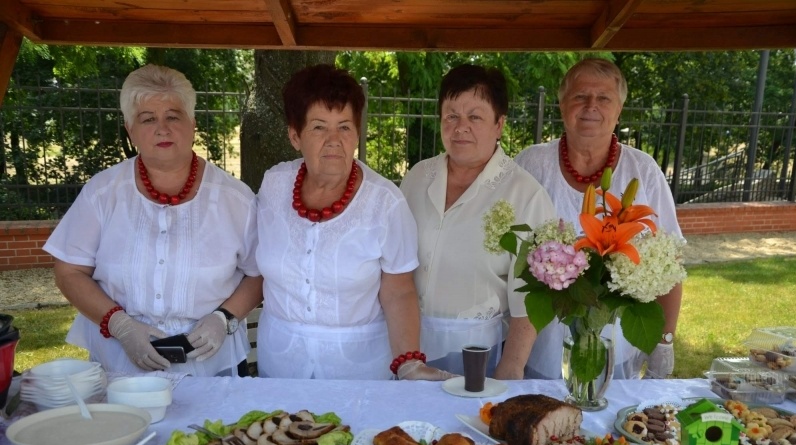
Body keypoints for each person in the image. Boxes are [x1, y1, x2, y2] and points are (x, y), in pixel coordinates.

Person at [44, 64, 263, 377]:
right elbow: (70, 270)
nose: (163, 128)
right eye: (148, 119)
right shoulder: (102, 193)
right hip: (120, 365)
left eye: (173, 115)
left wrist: (224, 319)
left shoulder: (236, 198)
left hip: (214, 365)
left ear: (193, 124)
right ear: (130, 130)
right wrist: (120, 325)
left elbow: (258, 275)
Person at [255, 64, 451, 381]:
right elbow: (256, 266)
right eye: (319, 127)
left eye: (344, 127)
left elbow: (399, 292)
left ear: (357, 134)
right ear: (295, 136)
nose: (334, 140)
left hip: (358, 371)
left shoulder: (385, 202)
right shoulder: (274, 185)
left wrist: (409, 362)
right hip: (281, 364)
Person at [515, 58, 683, 380]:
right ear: (562, 105)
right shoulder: (530, 164)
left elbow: (669, 263)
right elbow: (507, 257)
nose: (591, 105)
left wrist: (664, 341)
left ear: (618, 110)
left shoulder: (642, 170)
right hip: (539, 345)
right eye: (580, 96)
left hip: (615, 350)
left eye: (604, 98)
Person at [400, 64, 556, 380]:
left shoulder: (524, 194)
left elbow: (533, 296)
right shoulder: (417, 178)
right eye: (451, 115)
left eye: (475, 117)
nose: (461, 127)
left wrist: (511, 367)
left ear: (499, 124)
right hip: (408, 347)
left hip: (478, 353)